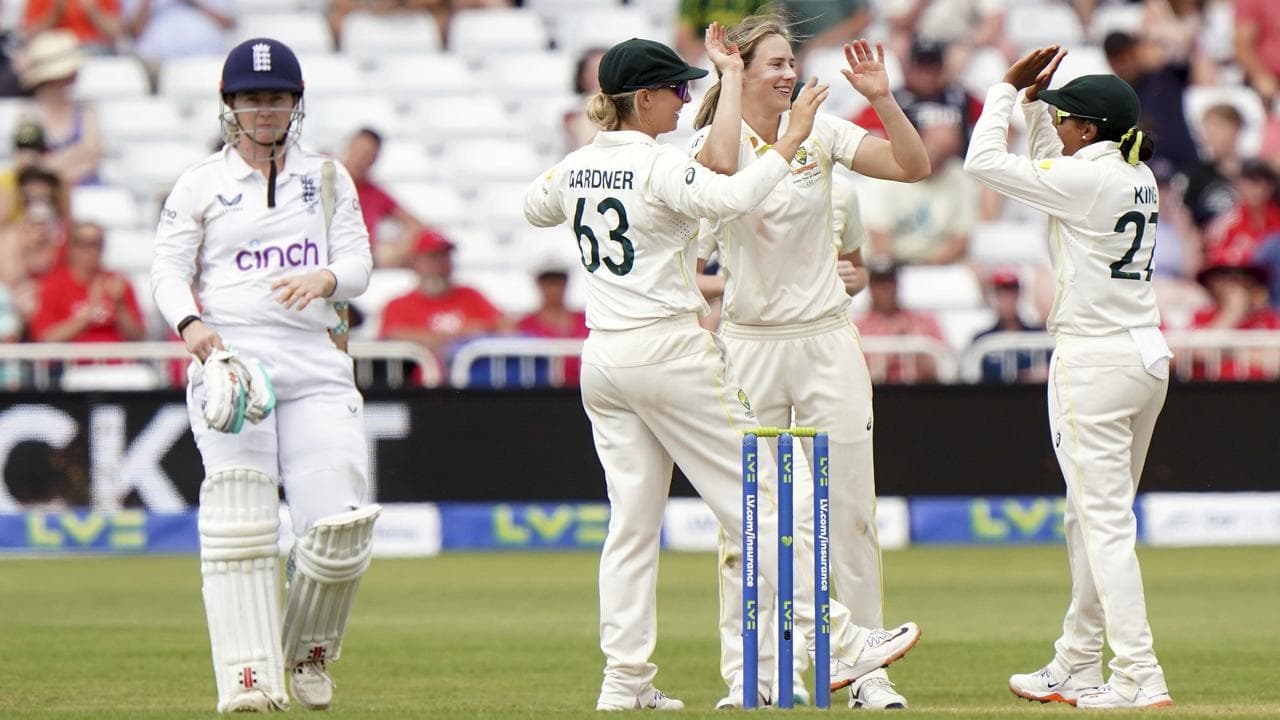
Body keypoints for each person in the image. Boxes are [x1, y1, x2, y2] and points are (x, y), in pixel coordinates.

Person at [523, 34, 921, 712]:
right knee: (766, 500)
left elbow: (536, 207)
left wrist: (586, 173)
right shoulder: (657, 166)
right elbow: (735, 198)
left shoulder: (578, 166)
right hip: (670, 351)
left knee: (631, 526)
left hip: (605, 358)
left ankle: (624, 683)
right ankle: (836, 636)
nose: (683, 100)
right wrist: (793, 137)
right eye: (673, 91)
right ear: (640, 99)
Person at [690, 13, 929, 709]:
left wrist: (883, 98)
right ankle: (753, 678)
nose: (789, 73)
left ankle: (866, 673)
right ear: (742, 70)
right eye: (773, 63)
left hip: (826, 339)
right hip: (750, 343)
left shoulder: (821, 128)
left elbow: (912, 167)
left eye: (790, 61)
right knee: (747, 521)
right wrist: (735, 85)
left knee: (850, 512)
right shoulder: (716, 141)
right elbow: (711, 206)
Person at [150, 37, 379, 713]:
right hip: (235, 370)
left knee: (336, 531)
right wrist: (192, 327)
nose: (264, 110)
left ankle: (307, 652)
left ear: (295, 105)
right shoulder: (200, 183)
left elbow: (360, 265)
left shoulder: (331, 177)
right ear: (230, 107)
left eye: (275, 97)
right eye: (251, 99)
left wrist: (326, 278)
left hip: (316, 366)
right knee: (240, 526)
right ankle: (248, 679)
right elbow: (166, 269)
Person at [964, 46, 1176, 709]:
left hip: (1095, 360)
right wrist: (1035, 106)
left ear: (1088, 130)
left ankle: (1139, 674)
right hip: (1144, 354)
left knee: (1103, 525)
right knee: (1089, 522)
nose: (1056, 125)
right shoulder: (1134, 175)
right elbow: (1046, 172)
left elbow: (983, 164)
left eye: (1064, 119)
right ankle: (1077, 662)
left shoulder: (1090, 181)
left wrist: (1002, 90)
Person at [379, 228, 508, 362]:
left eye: (445, 256)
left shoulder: (471, 295)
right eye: (433, 257)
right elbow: (391, 336)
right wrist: (463, 335)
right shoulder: (398, 305)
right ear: (415, 262)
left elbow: (505, 327)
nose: (441, 263)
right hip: (417, 381)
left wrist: (430, 340)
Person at [30, 220, 144, 342]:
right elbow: (46, 337)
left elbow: (137, 336)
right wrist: (87, 318)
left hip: (118, 360)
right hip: (72, 360)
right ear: (71, 247)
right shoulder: (53, 285)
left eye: (97, 243)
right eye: (84, 244)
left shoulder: (117, 283)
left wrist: (120, 305)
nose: (92, 250)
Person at [16, 31, 104, 187]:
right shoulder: (29, 118)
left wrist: (48, 165)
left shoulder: (86, 111)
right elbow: (26, 163)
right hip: (48, 195)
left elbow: (93, 155)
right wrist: (75, 156)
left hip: (86, 187)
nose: (73, 78)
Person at [340, 127, 423, 267]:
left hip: (361, 262)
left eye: (368, 155)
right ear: (348, 147)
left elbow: (416, 226)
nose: (360, 160)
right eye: (358, 152)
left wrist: (397, 249)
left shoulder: (375, 193)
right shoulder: (322, 178)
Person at [515, 258, 588, 386]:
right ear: (539, 283)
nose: (554, 287)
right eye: (548, 281)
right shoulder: (524, 325)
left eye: (558, 280)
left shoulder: (587, 321)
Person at [970, 269, 1048, 383]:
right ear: (994, 297)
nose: (1007, 299)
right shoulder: (981, 339)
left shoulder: (1039, 337)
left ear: (1019, 295)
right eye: (1002, 293)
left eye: (1012, 292)